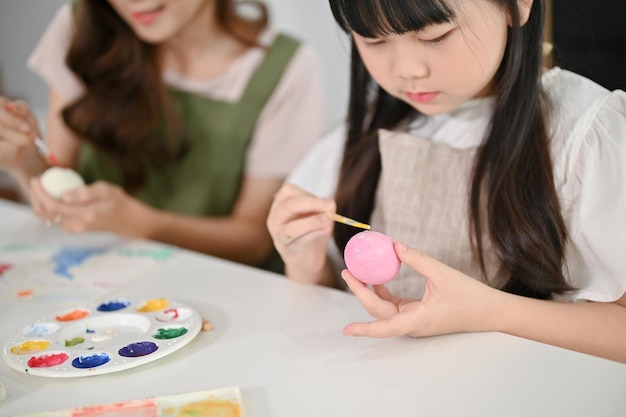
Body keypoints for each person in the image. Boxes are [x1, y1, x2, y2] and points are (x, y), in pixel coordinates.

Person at [266, 0, 626, 363]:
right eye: (374, 41)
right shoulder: (367, 135)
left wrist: (490, 312)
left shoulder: (586, 136)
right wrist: (307, 264)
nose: (407, 70)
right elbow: (336, 315)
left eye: (435, 36)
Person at [0, 0, 325, 273]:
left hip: (219, 289)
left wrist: (145, 225)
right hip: (96, 278)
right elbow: (60, 189)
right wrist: (24, 160)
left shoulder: (284, 68)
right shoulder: (84, 25)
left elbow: (254, 239)